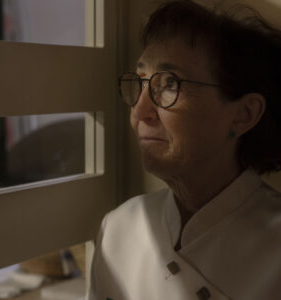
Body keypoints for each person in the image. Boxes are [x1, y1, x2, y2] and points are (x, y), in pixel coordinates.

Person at [88, 1, 281, 299]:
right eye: (140, 83)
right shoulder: (120, 227)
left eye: (169, 83)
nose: (140, 112)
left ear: (244, 114)